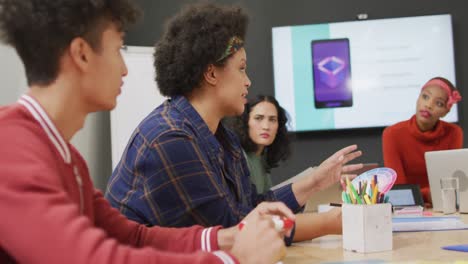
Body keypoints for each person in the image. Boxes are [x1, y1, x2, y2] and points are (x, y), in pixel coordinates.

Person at [0, 1, 296, 263]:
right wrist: (231, 259)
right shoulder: (11, 149)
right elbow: (92, 258)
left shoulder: (65, 157)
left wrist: (226, 239)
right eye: (118, 50)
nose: (125, 70)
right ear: (82, 54)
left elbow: (131, 237)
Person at [106, 2, 363, 244]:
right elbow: (237, 231)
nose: (248, 81)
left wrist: (314, 182)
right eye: (241, 68)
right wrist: (331, 222)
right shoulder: (170, 139)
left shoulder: (222, 136)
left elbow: (252, 206)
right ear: (211, 73)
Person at [382, 77, 463, 204]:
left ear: (446, 111)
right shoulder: (392, 134)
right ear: (418, 98)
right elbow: (400, 192)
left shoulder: (454, 133)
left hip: (443, 207)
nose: (428, 105)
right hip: (407, 209)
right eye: (425, 97)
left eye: (439, 103)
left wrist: (428, 195)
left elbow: (449, 184)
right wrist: (428, 194)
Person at [232, 94, 291, 194]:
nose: (266, 126)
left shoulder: (261, 158)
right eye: (258, 118)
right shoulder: (238, 158)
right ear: (245, 122)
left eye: (272, 120)